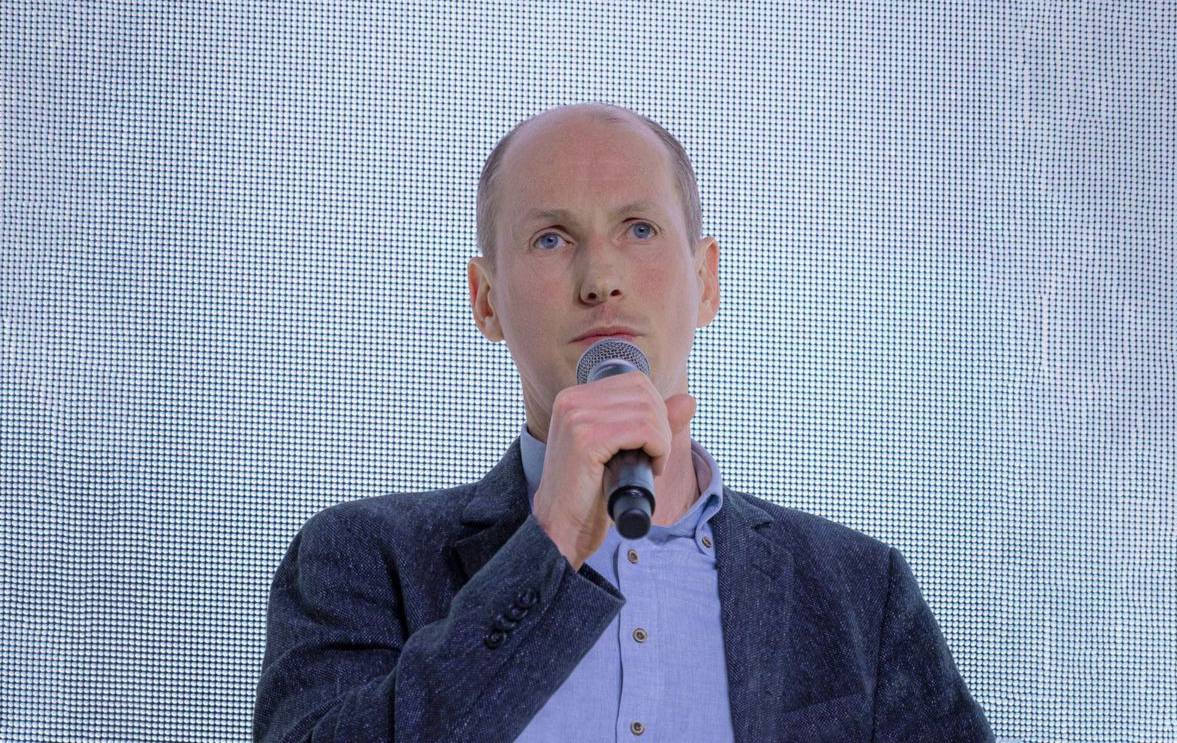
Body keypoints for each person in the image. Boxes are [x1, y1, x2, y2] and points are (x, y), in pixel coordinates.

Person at [253, 103, 994, 742]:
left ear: (705, 281)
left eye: (639, 230)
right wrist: (548, 546)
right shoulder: (362, 558)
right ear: (486, 300)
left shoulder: (858, 591)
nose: (600, 280)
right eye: (551, 238)